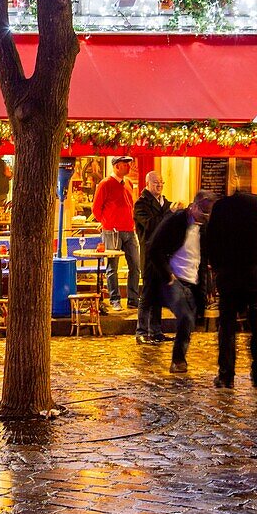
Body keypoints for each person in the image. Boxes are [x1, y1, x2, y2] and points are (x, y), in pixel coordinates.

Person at [208, 189, 257, 388]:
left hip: (229, 276)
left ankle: (226, 375)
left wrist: (217, 267)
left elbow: (211, 240)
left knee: (227, 326)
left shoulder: (221, 207)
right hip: (256, 276)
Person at [149, 191, 215, 374]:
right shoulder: (175, 221)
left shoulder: (205, 227)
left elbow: (203, 258)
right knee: (185, 316)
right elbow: (154, 248)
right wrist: (169, 276)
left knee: (190, 320)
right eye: (202, 214)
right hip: (174, 278)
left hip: (193, 279)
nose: (204, 219)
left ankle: (179, 357)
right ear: (193, 207)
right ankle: (178, 360)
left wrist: (206, 287)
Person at [92, 156, 141, 311]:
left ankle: (133, 299)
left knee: (135, 265)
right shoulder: (105, 184)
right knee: (112, 267)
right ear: (117, 166)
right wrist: (106, 223)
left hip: (129, 230)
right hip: (112, 231)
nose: (129, 167)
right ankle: (115, 299)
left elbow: (130, 204)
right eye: (126, 165)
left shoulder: (128, 183)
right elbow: (96, 208)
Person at [134, 171, 174, 344]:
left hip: (163, 255)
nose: (159, 185)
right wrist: (169, 213)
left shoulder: (165, 202)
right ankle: (141, 331)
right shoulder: (141, 204)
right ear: (148, 183)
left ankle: (156, 331)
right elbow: (151, 225)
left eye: (162, 183)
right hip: (150, 255)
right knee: (148, 293)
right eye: (156, 182)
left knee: (158, 293)